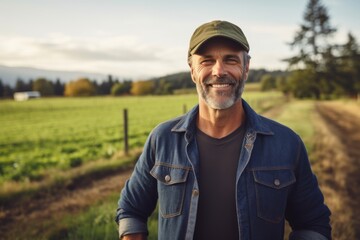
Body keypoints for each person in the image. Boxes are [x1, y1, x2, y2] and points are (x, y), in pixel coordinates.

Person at [115, 20, 331, 240]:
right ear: (192, 71)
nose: (219, 71)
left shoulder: (287, 144)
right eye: (207, 61)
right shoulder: (162, 140)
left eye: (230, 60)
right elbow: (131, 210)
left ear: (246, 68)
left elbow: (312, 223)